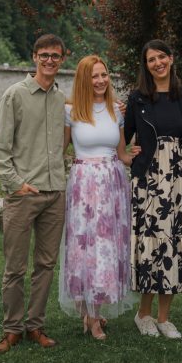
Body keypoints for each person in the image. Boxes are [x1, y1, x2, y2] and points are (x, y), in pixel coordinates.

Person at [0, 34, 67, 353]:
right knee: (15, 267)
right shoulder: (15, 95)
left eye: (55, 56)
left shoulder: (61, 99)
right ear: (34, 57)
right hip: (23, 195)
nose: (49, 60)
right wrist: (15, 184)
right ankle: (12, 329)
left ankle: (35, 326)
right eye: (44, 55)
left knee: (46, 265)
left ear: (62, 59)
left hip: (55, 193)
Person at [58, 55, 139, 340]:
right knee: (83, 248)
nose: (101, 80)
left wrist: (138, 155)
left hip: (113, 184)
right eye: (94, 76)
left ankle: (94, 312)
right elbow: (60, 149)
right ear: (84, 79)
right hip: (84, 186)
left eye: (104, 74)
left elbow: (122, 154)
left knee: (106, 248)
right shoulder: (71, 111)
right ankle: (90, 316)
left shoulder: (117, 110)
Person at [124, 39, 182, 339]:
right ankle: (143, 314)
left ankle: (164, 318)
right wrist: (125, 155)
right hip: (149, 182)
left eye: (162, 57)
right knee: (150, 247)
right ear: (146, 65)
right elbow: (121, 134)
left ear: (171, 58)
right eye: (151, 59)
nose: (157, 63)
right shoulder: (138, 99)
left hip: (177, 181)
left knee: (173, 245)